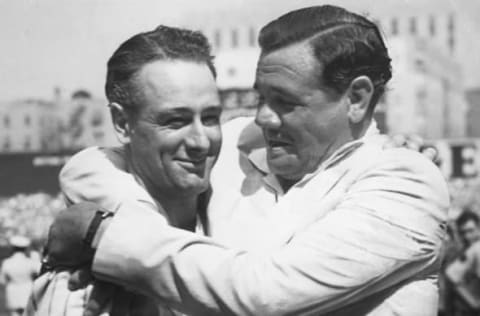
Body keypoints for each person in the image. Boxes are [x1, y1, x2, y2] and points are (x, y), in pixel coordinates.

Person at [46, 5, 449, 316]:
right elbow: (97, 163)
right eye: (261, 97)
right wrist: (118, 219)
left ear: (357, 99)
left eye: (286, 102)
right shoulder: (239, 143)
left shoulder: (405, 184)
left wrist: (103, 236)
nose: (263, 116)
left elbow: (263, 295)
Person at [26, 25, 222, 316]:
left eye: (209, 118)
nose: (200, 141)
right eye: (176, 121)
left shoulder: (245, 213)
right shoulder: (85, 287)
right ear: (121, 123)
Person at [445, 210, 480, 314]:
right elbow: (451, 276)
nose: (467, 236)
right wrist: (474, 303)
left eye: (471, 231)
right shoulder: (473, 249)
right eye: (463, 232)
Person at [0, 236, 39, 316]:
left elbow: (2, 280)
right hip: (27, 289)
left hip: (13, 291)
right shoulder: (30, 262)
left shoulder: (7, 262)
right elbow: (38, 274)